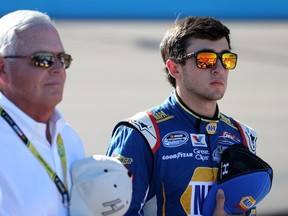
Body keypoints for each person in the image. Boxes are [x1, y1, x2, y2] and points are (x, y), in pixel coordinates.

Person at [106, 16, 258, 216]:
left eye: (226, 59)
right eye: (206, 60)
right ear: (174, 68)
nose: (219, 68)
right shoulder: (142, 133)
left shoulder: (243, 136)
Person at [0, 10, 85, 215]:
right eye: (43, 59)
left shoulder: (68, 137)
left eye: (62, 59)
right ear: (3, 68)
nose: (57, 68)